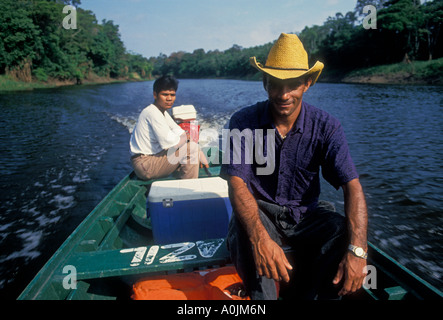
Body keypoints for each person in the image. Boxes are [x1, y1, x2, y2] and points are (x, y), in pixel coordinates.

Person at [220, 33, 368, 300]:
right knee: (246, 227)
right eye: (275, 84)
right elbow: (237, 183)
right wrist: (260, 238)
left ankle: (310, 293)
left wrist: (357, 251)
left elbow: (352, 185)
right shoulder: (243, 122)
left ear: (307, 84)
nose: (284, 94)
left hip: (305, 216)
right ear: (265, 83)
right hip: (261, 210)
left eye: (293, 85)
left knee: (341, 230)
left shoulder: (326, 126)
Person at [130, 75, 199, 180]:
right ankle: (189, 191)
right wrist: (185, 139)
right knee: (192, 149)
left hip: (153, 158)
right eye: (165, 94)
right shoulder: (152, 112)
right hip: (145, 164)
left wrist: (184, 138)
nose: (169, 99)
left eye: (172, 95)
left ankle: (180, 181)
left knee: (191, 146)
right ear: (155, 95)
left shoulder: (162, 112)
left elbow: (179, 132)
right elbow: (171, 143)